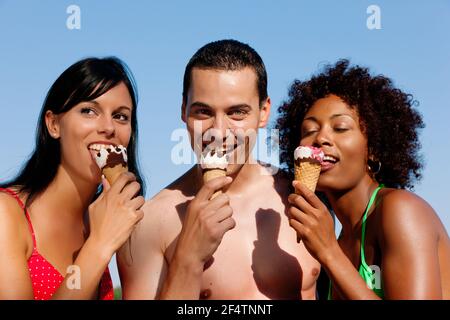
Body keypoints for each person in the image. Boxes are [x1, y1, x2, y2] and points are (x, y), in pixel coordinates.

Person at [118, 39, 321, 299]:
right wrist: (187, 260)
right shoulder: (150, 223)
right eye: (203, 112)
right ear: (183, 111)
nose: (218, 132)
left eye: (237, 113)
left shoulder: (304, 198)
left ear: (263, 112)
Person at [276, 59, 450, 299]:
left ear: (373, 148)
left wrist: (329, 253)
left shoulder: (400, 210)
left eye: (340, 128)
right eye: (309, 130)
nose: (321, 138)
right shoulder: (339, 238)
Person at [0, 57, 145, 300]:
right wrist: (99, 245)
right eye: (89, 111)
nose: (108, 127)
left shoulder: (109, 222)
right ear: (54, 124)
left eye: (121, 116)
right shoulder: (7, 215)